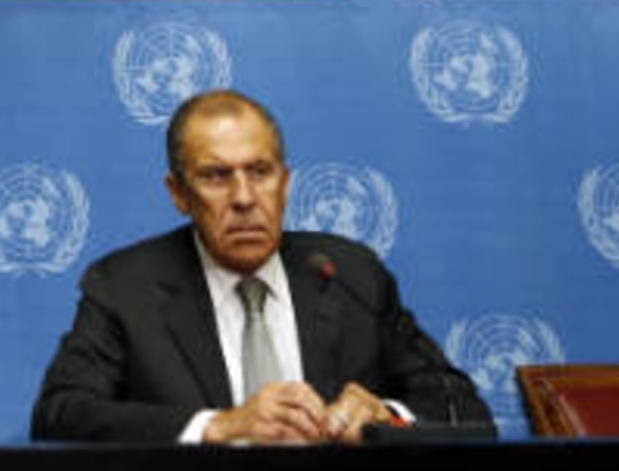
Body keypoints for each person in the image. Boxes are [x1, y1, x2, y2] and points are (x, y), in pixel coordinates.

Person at [29, 89, 493, 445]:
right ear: (178, 194)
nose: (245, 198)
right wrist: (220, 426)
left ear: (286, 183)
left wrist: (386, 417)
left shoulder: (348, 273)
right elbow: (60, 416)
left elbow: (466, 412)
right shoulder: (125, 286)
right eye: (216, 176)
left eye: (260, 172)